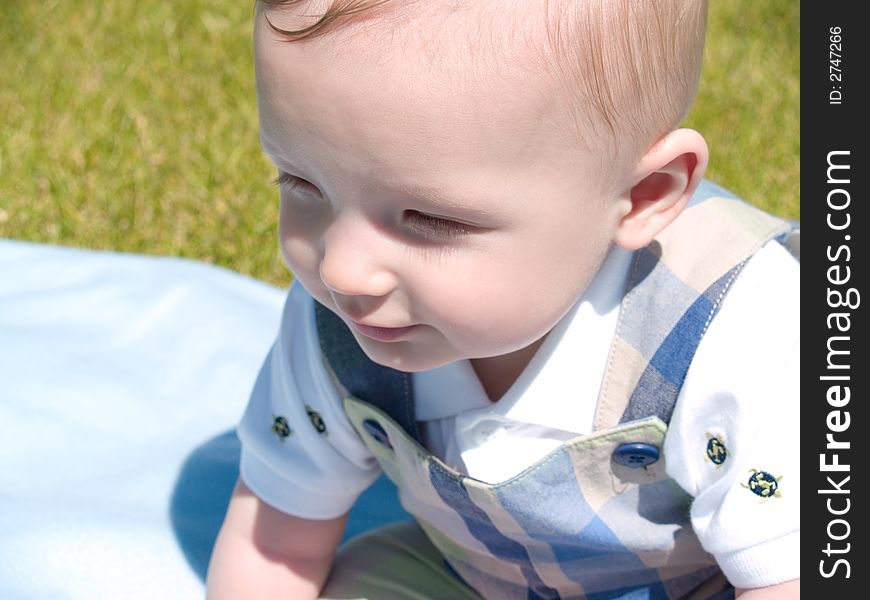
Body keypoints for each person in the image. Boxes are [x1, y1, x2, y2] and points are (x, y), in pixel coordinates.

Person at [206, 0, 799, 598]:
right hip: (485, 577)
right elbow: (275, 541)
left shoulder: (739, 327)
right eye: (302, 182)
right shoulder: (338, 323)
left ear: (642, 195)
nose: (344, 269)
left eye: (428, 218)